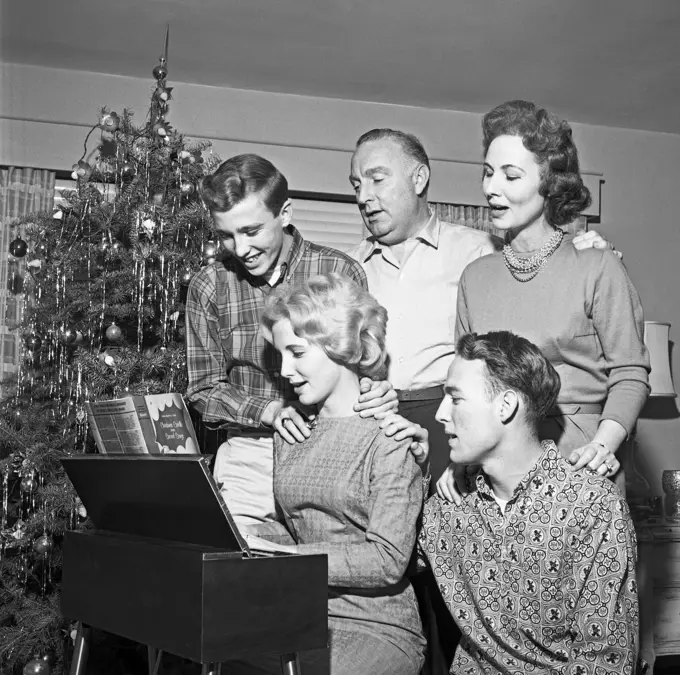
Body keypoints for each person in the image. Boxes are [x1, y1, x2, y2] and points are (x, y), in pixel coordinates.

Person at [348, 127, 616, 488]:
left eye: (377, 179)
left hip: (458, 418)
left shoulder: (480, 251)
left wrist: (592, 254)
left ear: (419, 178)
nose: (364, 196)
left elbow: (542, 271)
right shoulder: (347, 268)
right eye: (355, 185)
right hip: (378, 420)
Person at [439, 100, 649, 501]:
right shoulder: (475, 277)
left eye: (510, 175)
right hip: (495, 467)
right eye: (487, 173)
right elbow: (466, 385)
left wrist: (603, 445)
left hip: (582, 459)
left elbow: (631, 372)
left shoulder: (597, 265)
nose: (490, 188)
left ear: (549, 183)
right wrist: (461, 458)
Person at [185, 153, 396, 534]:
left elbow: (366, 366)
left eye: (251, 231)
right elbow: (203, 388)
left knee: (326, 575)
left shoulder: (340, 272)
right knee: (244, 582)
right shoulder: (208, 285)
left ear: (285, 213)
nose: (240, 248)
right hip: (250, 458)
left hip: (333, 452)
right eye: (226, 235)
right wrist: (270, 412)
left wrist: (377, 391)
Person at [418, 330, 640, 674]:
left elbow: (604, 660)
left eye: (455, 398)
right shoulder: (447, 508)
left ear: (506, 406)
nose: (440, 415)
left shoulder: (591, 505)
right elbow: (388, 565)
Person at [247, 272, 426, 675]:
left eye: (297, 352)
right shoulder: (291, 431)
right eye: (278, 356)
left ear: (338, 347)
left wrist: (289, 559)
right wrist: (248, 541)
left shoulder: (389, 436)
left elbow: (387, 560)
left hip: (376, 625)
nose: (285, 371)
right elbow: (298, 533)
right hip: (298, 614)